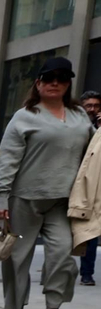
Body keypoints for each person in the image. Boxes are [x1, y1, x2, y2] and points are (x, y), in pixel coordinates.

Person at [0, 57, 92, 309]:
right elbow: (7, 159)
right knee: (17, 258)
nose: (55, 83)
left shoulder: (80, 116)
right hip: (25, 199)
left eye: (61, 78)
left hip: (64, 201)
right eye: (49, 78)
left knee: (62, 255)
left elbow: (93, 153)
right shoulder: (25, 116)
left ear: (69, 83)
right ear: (38, 83)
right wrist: (1, 198)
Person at [79, 91, 101, 286]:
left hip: (96, 186)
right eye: (89, 106)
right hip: (77, 185)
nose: (93, 109)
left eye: (96, 105)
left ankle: (87, 273)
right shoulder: (77, 126)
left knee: (91, 231)